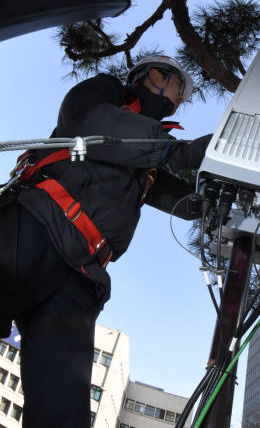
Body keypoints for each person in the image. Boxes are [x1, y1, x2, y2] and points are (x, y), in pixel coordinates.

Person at [0, 55, 210, 427]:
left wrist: (230, 182)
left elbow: (188, 201)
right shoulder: (107, 94)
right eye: (181, 89)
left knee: (62, 412)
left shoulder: (147, 160)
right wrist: (174, 150)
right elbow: (93, 122)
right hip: (34, 227)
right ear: (156, 76)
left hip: (81, 277)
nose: (181, 100)